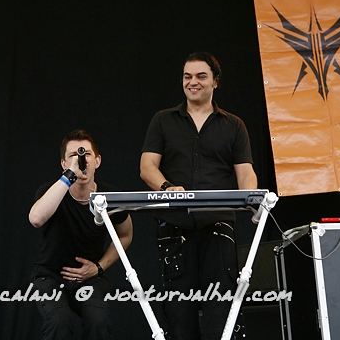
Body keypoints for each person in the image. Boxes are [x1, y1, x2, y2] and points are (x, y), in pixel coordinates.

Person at [140, 52, 257, 340]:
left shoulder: (234, 125)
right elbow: (147, 167)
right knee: (179, 314)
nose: (193, 82)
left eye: (201, 76)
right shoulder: (163, 120)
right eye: (187, 76)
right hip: (175, 226)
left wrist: (253, 199)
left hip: (218, 225)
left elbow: (245, 173)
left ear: (215, 82)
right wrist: (167, 187)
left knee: (221, 311)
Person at [29, 129, 133, 340]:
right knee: (59, 320)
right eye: (73, 156)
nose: (81, 161)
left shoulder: (109, 197)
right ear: (64, 164)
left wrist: (98, 267)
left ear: (97, 161)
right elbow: (36, 219)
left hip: (89, 278)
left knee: (99, 320)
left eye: (86, 155)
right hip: (50, 276)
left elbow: (125, 235)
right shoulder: (50, 191)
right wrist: (69, 176)